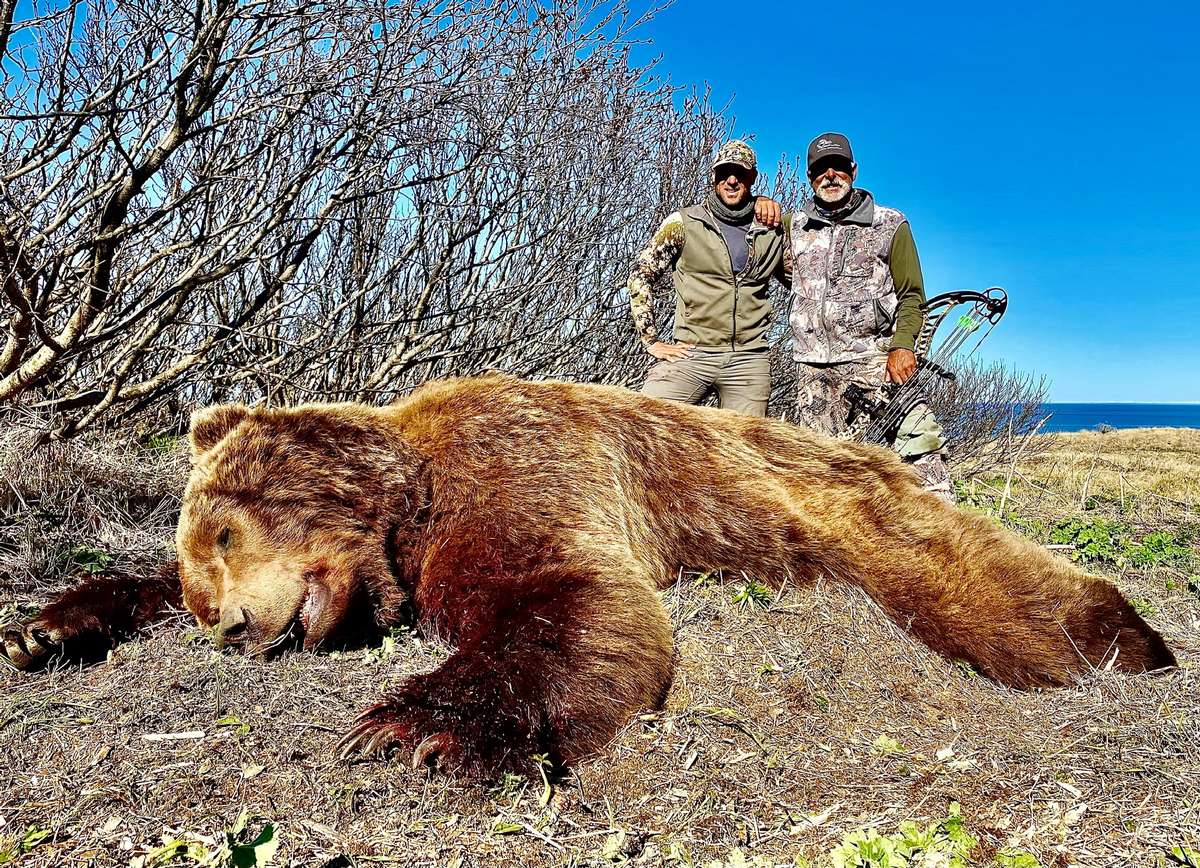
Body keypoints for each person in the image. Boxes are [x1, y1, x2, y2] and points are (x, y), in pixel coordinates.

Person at [788, 132, 953, 501]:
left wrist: (902, 346)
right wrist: (762, 204)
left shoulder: (890, 223)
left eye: (839, 167)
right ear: (810, 177)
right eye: (820, 169)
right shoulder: (794, 227)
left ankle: (953, 539)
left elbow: (912, 295)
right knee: (823, 477)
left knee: (922, 452)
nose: (830, 175)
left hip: (875, 362)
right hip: (812, 369)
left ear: (854, 170)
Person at [626, 140, 788, 417]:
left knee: (747, 450)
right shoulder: (683, 222)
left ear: (753, 177)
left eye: (740, 173)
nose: (732, 180)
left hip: (749, 359)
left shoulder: (773, 228)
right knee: (644, 421)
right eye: (724, 173)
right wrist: (651, 340)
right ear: (713, 176)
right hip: (692, 353)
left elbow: (805, 281)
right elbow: (641, 275)